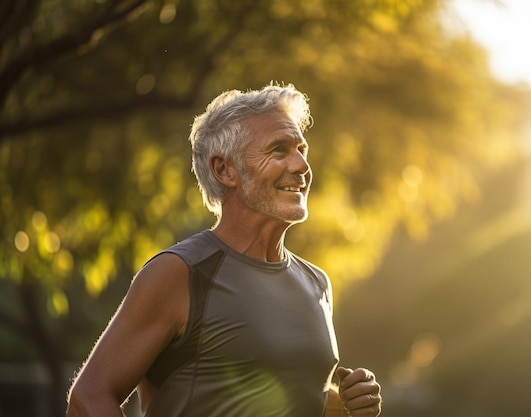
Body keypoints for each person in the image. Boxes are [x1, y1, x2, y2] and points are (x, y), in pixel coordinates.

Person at [67, 83, 382, 417]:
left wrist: (345, 405)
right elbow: (89, 397)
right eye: (279, 150)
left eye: (302, 149)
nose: (302, 165)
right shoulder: (180, 273)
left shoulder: (317, 283)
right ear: (224, 170)